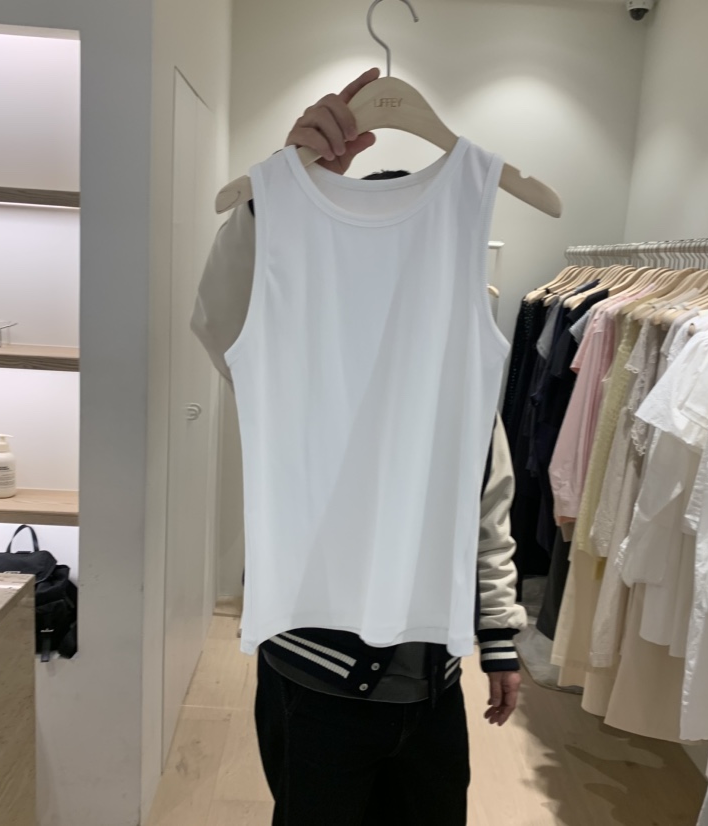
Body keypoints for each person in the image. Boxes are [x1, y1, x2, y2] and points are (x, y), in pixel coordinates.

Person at [192, 68, 526, 826]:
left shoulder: (452, 358)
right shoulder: (298, 342)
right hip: (315, 677)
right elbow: (221, 318)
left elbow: (487, 501)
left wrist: (500, 636)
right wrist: (271, 198)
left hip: (433, 682)